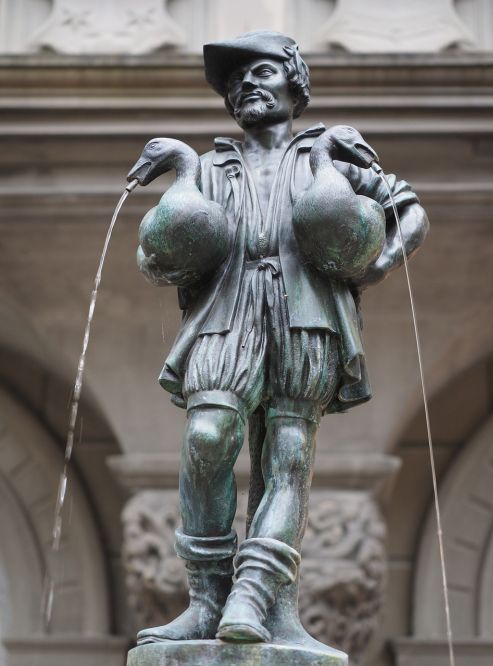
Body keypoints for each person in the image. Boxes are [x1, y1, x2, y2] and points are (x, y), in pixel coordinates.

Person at [134, 31, 429, 645]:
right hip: (229, 310)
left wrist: (379, 263)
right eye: (235, 81)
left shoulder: (330, 157)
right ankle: (207, 595)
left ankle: (256, 594)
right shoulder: (212, 167)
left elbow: (410, 211)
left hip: (304, 313)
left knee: (288, 452)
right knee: (208, 434)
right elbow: (156, 251)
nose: (247, 85)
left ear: (296, 85)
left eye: (262, 72)